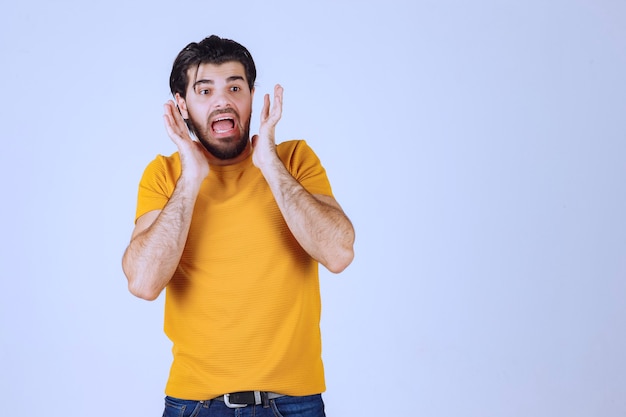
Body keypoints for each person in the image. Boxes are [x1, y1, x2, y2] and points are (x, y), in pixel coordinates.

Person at [121, 35, 355, 417]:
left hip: (294, 404)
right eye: (205, 90)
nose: (222, 100)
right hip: (196, 406)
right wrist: (191, 178)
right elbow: (143, 282)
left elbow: (339, 253)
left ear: (250, 96)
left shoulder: (293, 160)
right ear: (181, 105)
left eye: (235, 87)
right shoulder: (165, 175)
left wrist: (270, 166)